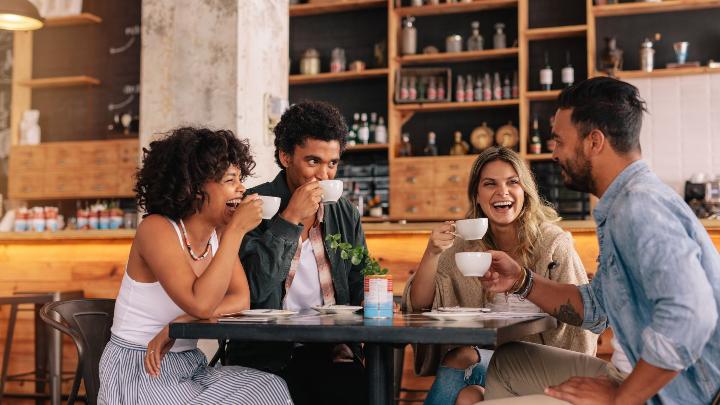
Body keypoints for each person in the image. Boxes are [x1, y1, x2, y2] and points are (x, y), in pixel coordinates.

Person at [478, 77, 720, 404]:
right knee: (508, 363)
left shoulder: (638, 208)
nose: (554, 153)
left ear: (594, 142)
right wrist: (521, 280)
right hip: (632, 376)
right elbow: (595, 309)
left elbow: (692, 313)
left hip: (674, 394)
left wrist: (620, 398)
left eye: (560, 141)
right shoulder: (626, 202)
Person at [98, 127, 292, 404]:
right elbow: (200, 303)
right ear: (195, 188)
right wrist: (236, 230)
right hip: (141, 366)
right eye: (230, 179)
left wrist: (182, 323)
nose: (241, 188)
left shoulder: (216, 235)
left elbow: (241, 299)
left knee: (268, 387)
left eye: (240, 179)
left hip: (188, 364)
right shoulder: (156, 229)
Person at [402, 146, 597, 405]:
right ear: (477, 195)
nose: (502, 192)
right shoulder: (466, 246)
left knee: (464, 370)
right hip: (493, 364)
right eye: (490, 184)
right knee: (469, 393)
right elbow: (420, 304)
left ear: (525, 191)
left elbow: (579, 323)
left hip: (546, 366)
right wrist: (432, 253)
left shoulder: (552, 244)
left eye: (512, 182)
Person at [226, 101, 367, 405]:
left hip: (333, 351)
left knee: (361, 387)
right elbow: (253, 291)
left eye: (332, 163)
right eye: (313, 161)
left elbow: (358, 279)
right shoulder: (253, 206)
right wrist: (290, 220)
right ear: (285, 156)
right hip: (269, 355)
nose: (325, 175)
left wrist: (371, 298)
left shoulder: (345, 213)